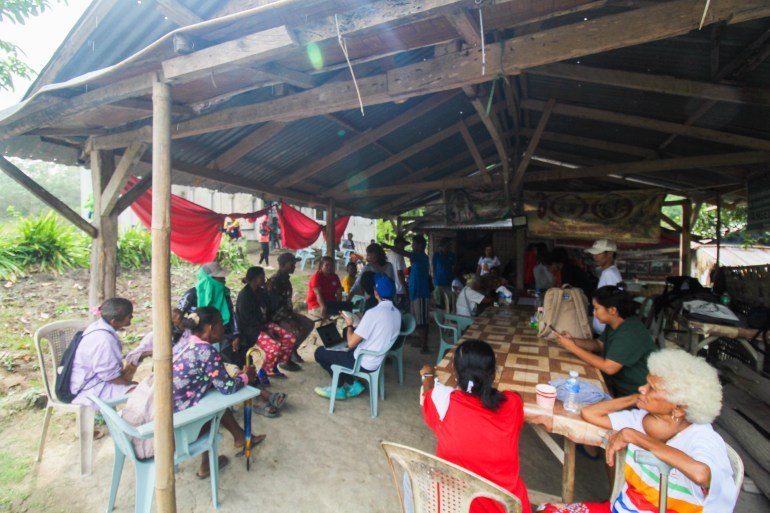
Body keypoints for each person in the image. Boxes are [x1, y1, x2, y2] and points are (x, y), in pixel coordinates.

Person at [540, 349, 737, 513]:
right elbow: (590, 413)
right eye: (646, 383)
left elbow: (702, 474)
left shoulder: (702, 436)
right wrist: (636, 398)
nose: (642, 388)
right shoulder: (642, 419)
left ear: (679, 408)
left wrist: (636, 437)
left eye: (651, 388)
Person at [420, 339, 531, 513]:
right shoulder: (512, 404)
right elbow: (506, 398)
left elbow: (428, 393)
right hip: (509, 508)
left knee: (409, 478)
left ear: (456, 375)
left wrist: (427, 375)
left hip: (454, 506)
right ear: (493, 375)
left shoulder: (443, 401)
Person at [170, 307, 266, 478]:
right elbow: (227, 387)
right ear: (210, 328)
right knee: (216, 405)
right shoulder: (206, 351)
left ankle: (241, 437)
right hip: (181, 421)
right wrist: (246, 377)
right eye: (222, 323)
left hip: (170, 407)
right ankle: (206, 465)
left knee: (214, 397)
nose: (224, 327)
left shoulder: (186, 340)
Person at [554, 285, 655, 397]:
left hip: (637, 395)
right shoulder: (615, 323)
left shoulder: (630, 332)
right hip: (618, 388)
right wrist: (572, 341)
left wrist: (572, 348)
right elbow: (599, 344)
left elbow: (609, 367)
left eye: (596, 308)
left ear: (612, 310)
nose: (594, 312)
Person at [313, 276, 401, 400]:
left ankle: (338, 388)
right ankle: (353, 383)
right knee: (338, 348)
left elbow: (351, 343)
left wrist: (349, 324)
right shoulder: (397, 313)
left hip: (362, 361)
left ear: (376, 293)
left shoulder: (374, 313)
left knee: (320, 353)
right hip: (376, 359)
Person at [70, 297, 137, 410]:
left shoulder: (98, 326)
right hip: (89, 389)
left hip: (93, 380)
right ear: (114, 322)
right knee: (142, 393)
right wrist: (128, 384)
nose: (132, 317)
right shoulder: (105, 340)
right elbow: (109, 376)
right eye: (129, 316)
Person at [237, 266, 301, 383]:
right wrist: (266, 330)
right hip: (251, 330)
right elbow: (247, 320)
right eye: (262, 277)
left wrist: (280, 323)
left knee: (289, 337)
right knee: (274, 346)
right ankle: (262, 371)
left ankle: (273, 366)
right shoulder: (245, 296)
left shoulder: (261, 292)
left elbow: (270, 309)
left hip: (264, 325)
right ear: (255, 279)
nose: (264, 279)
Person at [177, 262, 241, 365]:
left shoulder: (224, 294)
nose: (224, 280)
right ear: (210, 279)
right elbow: (177, 316)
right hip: (198, 339)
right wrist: (191, 325)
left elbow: (231, 314)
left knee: (224, 363)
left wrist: (236, 335)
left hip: (223, 336)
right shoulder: (193, 294)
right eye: (220, 277)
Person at [265, 252, 315, 364]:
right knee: (294, 330)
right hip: (276, 317)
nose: (294, 266)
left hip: (287, 314)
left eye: (294, 264)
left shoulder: (285, 279)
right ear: (282, 265)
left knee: (309, 323)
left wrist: (291, 316)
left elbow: (286, 303)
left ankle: (292, 350)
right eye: (291, 264)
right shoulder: (275, 281)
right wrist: (290, 319)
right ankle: (284, 359)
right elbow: (275, 307)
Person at [585, 239, 623, 334]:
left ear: (610, 254)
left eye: (598, 253)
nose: (595, 257)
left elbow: (613, 303)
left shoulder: (609, 273)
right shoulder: (610, 271)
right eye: (594, 254)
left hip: (605, 330)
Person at [406, 234, 431, 354]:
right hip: (415, 293)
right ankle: (420, 342)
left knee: (422, 321)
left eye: (414, 243)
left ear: (420, 245)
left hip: (421, 293)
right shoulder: (418, 258)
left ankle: (424, 345)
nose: (412, 246)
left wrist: (389, 246)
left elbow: (406, 253)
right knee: (417, 320)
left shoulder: (421, 256)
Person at [386, 235, 409, 311]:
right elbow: (400, 274)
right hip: (400, 289)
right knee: (402, 312)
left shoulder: (390, 254)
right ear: (398, 244)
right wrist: (405, 288)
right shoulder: (399, 255)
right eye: (403, 245)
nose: (403, 247)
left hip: (393, 288)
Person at [432, 237, 456, 308]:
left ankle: (448, 318)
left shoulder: (452, 255)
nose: (448, 247)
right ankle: (439, 317)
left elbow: (454, 267)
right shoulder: (436, 255)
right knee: (439, 302)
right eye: (447, 245)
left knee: (449, 302)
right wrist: (434, 277)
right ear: (442, 246)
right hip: (439, 282)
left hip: (449, 281)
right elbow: (433, 267)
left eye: (449, 245)